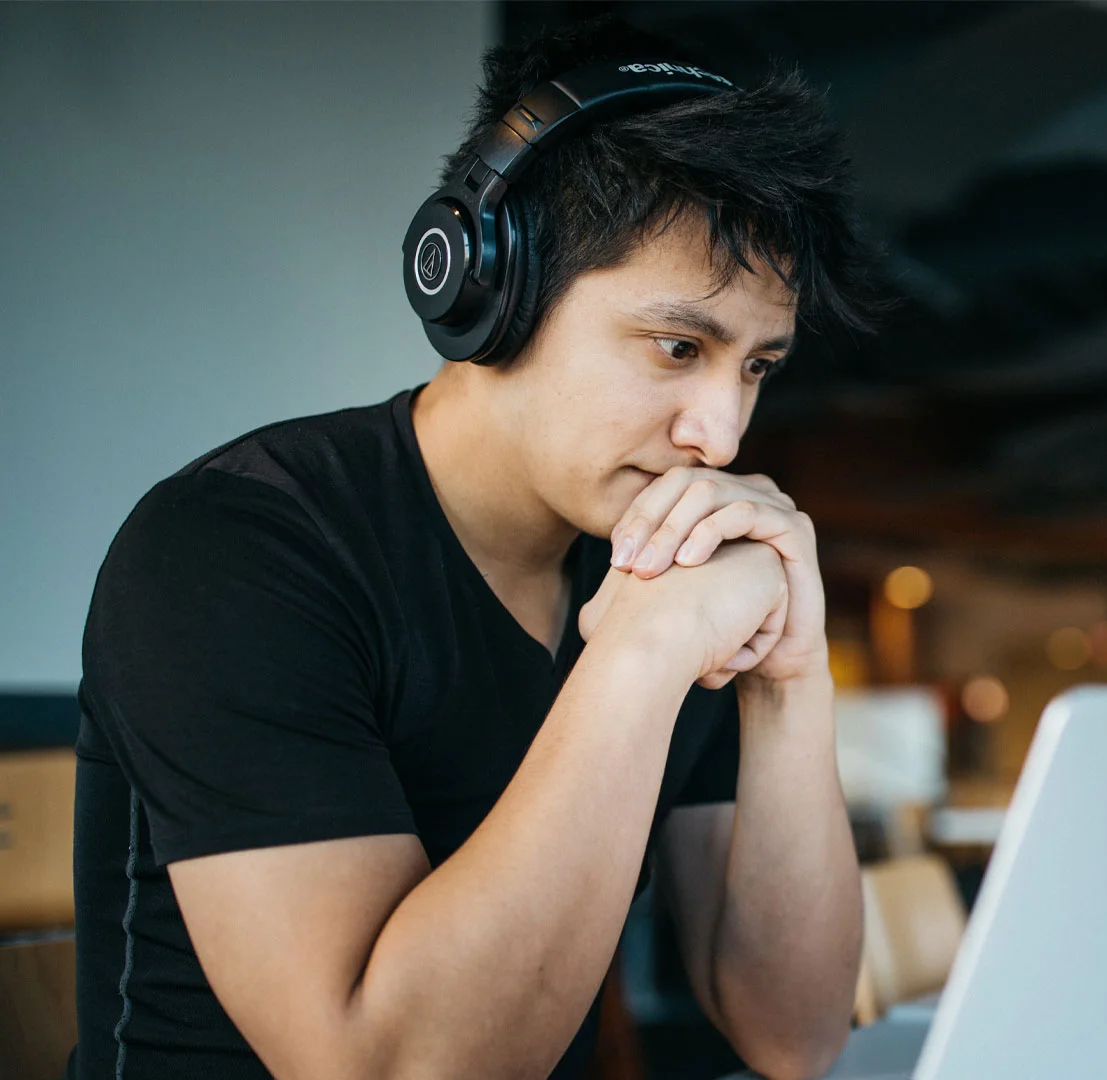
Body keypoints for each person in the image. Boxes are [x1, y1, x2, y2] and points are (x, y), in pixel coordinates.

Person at [68, 16, 881, 1080]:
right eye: (678, 347)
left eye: (755, 368)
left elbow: (795, 1033)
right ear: (490, 288)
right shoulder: (231, 552)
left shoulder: (666, 560)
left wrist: (789, 678)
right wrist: (635, 658)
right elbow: (389, 1068)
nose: (719, 436)